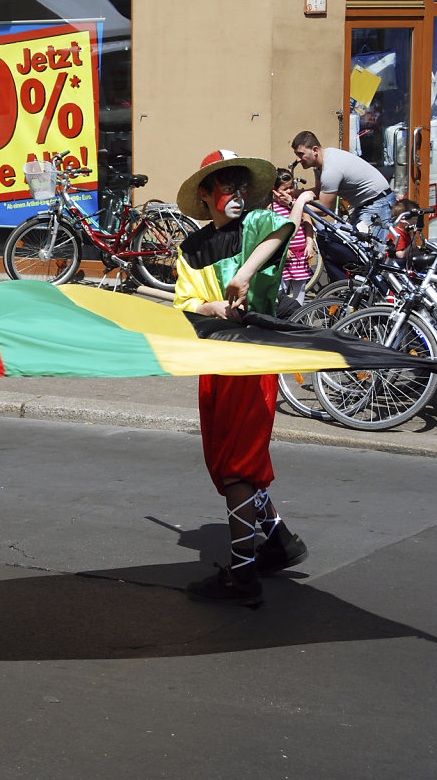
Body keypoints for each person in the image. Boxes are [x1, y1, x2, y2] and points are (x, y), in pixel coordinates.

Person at [174, 150, 314, 607]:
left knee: (238, 465)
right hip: (213, 359)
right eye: (226, 187)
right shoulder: (191, 249)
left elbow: (279, 233)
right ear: (205, 195)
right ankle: (278, 541)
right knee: (225, 461)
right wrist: (211, 307)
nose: (237, 195)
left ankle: (242, 575)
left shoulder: (255, 225)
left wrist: (246, 274)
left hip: (251, 359)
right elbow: (185, 304)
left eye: (241, 186)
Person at [291, 129, 396, 282]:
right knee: (353, 249)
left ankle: (385, 297)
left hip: (377, 205)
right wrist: (295, 194)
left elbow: (324, 209)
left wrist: (294, 207)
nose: (298, 159)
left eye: (301, 154)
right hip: (363, 206)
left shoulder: (331, 170)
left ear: (314, 150)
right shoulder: (320, 165)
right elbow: (320, 191)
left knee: (371, 256)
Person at [269, 167, 315, 305]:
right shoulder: (272, 207)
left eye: (291, 187)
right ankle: (281, 311)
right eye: (285, 189)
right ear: (274, 190)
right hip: (284, 256)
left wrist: (309, 243)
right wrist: (283, 247)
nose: (289, 191)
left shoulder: (298, 204)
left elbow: (307, 223)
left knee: (300, 287)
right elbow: (273, 230)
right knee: (281, 287)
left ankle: (298, 311)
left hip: (300, 255)